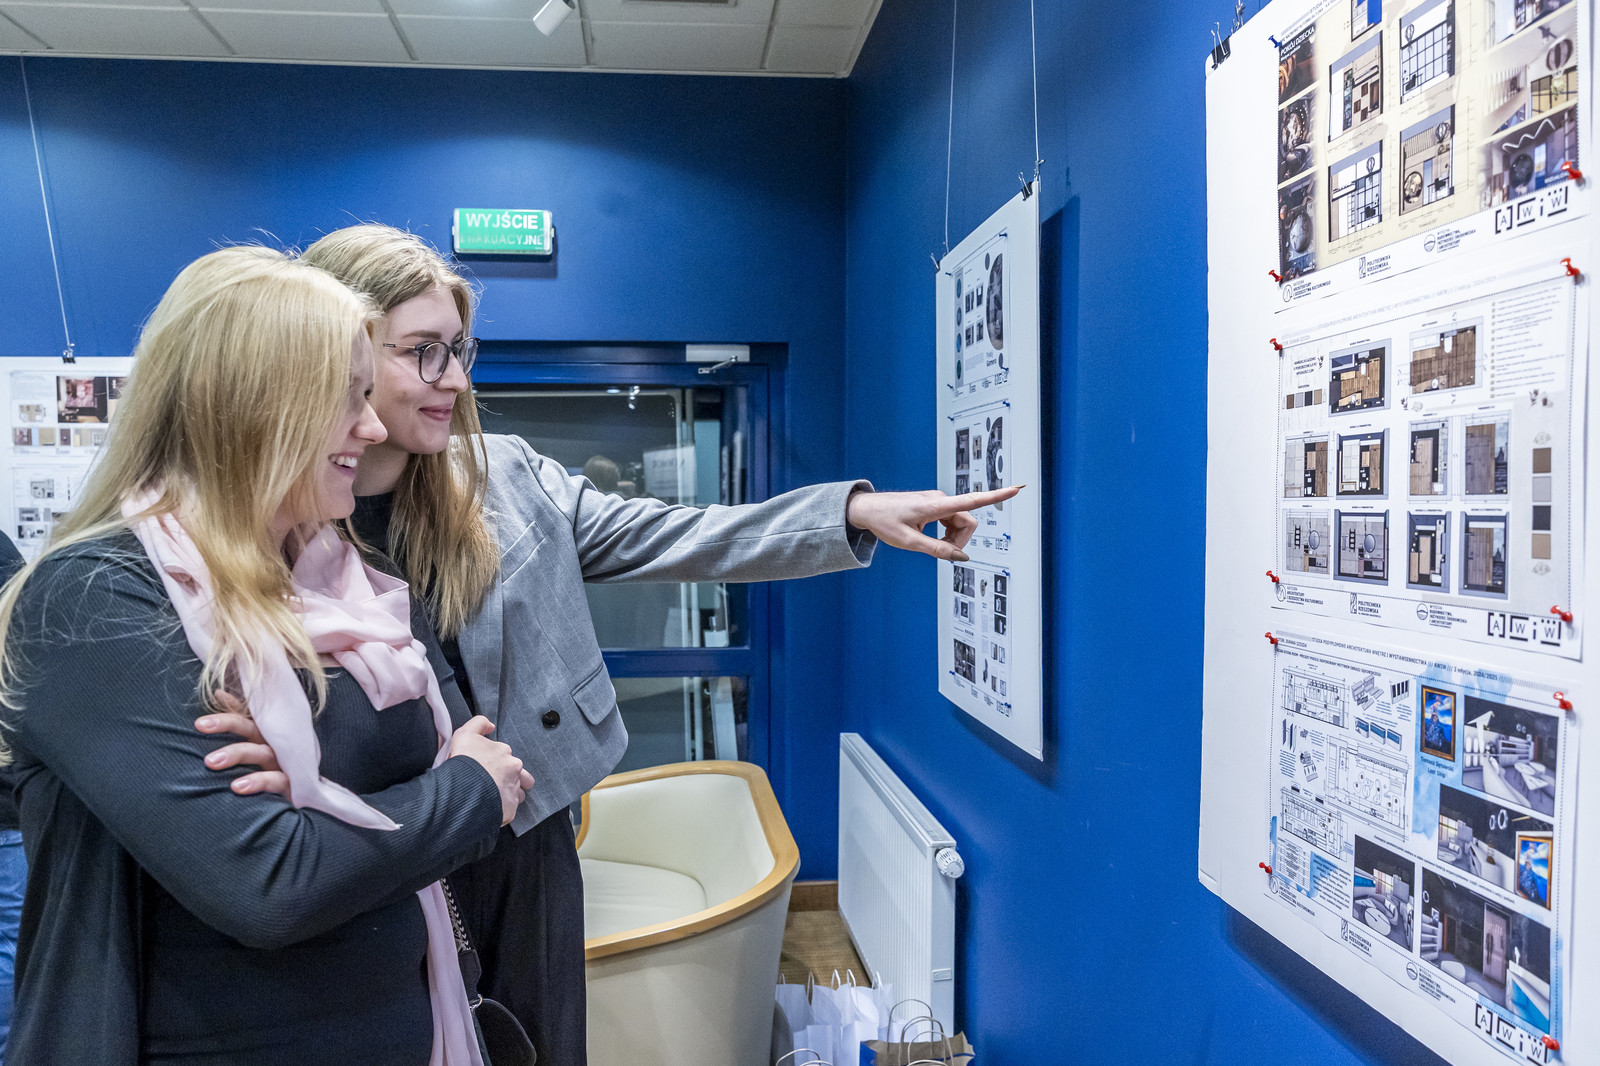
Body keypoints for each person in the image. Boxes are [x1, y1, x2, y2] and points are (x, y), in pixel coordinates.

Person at [204, 223, 1017, 1066]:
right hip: (381, 846)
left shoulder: (504, 474)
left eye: (461, 350)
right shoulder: (275, 521)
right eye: (423, 353)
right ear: (341, 349)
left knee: (543, 1041)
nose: (455, 379)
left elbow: (678, 534)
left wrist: (849, 514)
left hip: (522, 835)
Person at [0, 246, 533, 1065]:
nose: (371, 427)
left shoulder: (352, 582)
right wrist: (453, 791)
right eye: (346, 398)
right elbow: (272, 885)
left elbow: (480, 775)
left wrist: (317, 787)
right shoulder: (97, 598)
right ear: (254, 407)